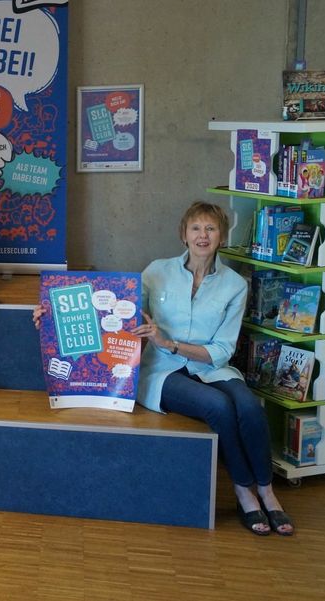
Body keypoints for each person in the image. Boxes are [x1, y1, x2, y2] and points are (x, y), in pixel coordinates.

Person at [33, 201, 294, 536]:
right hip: (162, 370)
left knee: (247, 406)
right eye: (196, 228)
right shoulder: (157, 271)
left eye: (211, 229)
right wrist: (53, 312)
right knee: (219, 407)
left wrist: (170, 342)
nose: (203, 235)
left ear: (222, 236)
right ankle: (244, 490)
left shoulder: (235, 285)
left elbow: (223, 349)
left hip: (211, 366)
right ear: (183, 234)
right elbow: (114, 304)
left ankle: (268, 491)